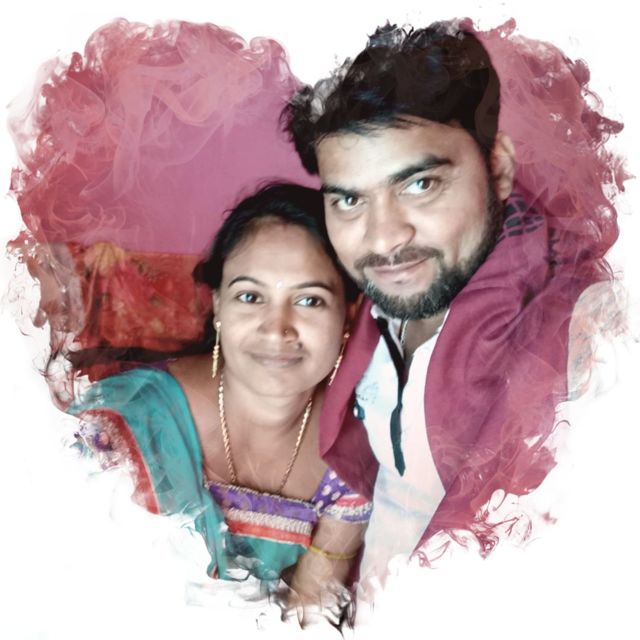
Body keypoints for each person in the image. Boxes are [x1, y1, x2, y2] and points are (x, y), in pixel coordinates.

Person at [283, 20, 623, 584]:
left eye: (420, 185)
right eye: (349, 200)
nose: (384, 238)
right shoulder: (380, 305)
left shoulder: (588, 337)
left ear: (499, 168)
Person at [68, 183, 371, 611]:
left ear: (349, 315)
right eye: (250, 297)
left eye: (309, 300)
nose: (276, 329)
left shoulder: (356, 449)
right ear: (218, 306)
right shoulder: (122, 429)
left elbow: (310, 613)